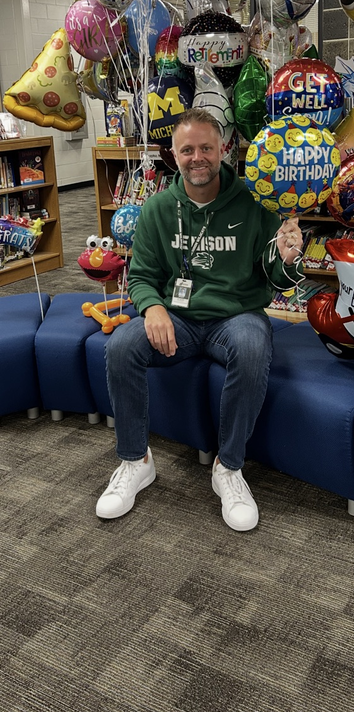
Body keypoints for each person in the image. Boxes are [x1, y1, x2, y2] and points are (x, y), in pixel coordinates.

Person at [96, 107, 304, 532]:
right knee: (120, 347)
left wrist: (286, 259)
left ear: (223, 150)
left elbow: (276, 279)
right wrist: (152, 307)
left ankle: (228, 469)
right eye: (187, 149)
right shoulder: (157, 209)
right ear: (173, 155)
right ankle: (136, 460)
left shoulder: (254, 202)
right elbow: (141, 276)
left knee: (251, 346)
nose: (197, 158)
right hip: (179, 319)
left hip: (238, 315)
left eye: (206, 148)